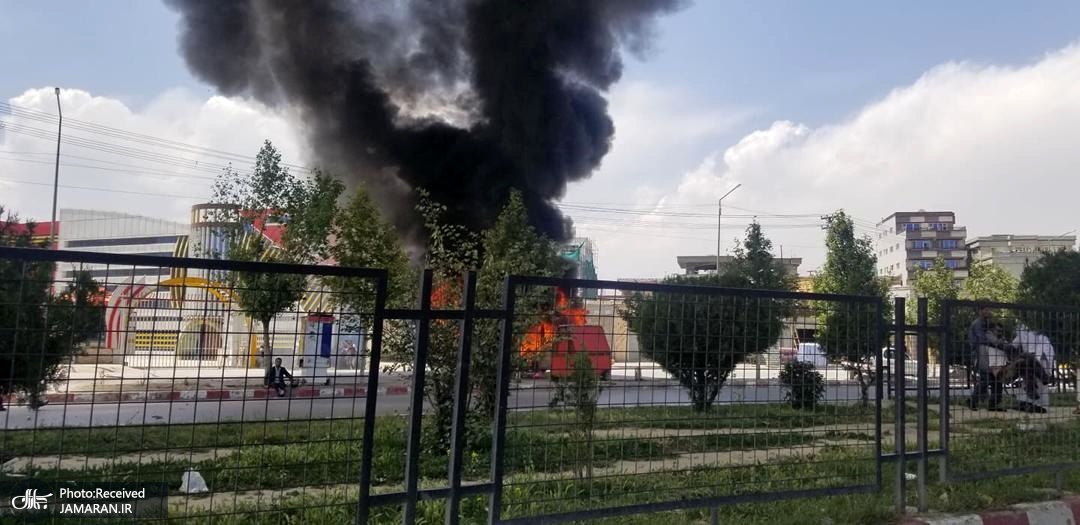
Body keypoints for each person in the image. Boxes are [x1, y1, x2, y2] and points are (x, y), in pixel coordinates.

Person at [966, 306, 1007, 411]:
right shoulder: (978, 323)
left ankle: (994, 403)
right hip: (982, 353)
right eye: (986, 309)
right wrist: (999, 343)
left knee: (996, 379)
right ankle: (973, 400)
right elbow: (982, 339)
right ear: (980, 311)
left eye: (990, 309)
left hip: (990, 353)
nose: (989, 311)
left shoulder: (987, 322)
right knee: (986, 379)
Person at [1010, 324, 1053, 414]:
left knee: (1039, 382)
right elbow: (1013, 346)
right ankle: (1025, 403)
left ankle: (1040, 405)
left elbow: (1013, 346)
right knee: (1028, 380)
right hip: (1029, 359)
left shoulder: (1042, 336)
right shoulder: (1023, 331)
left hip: (1041, 358)